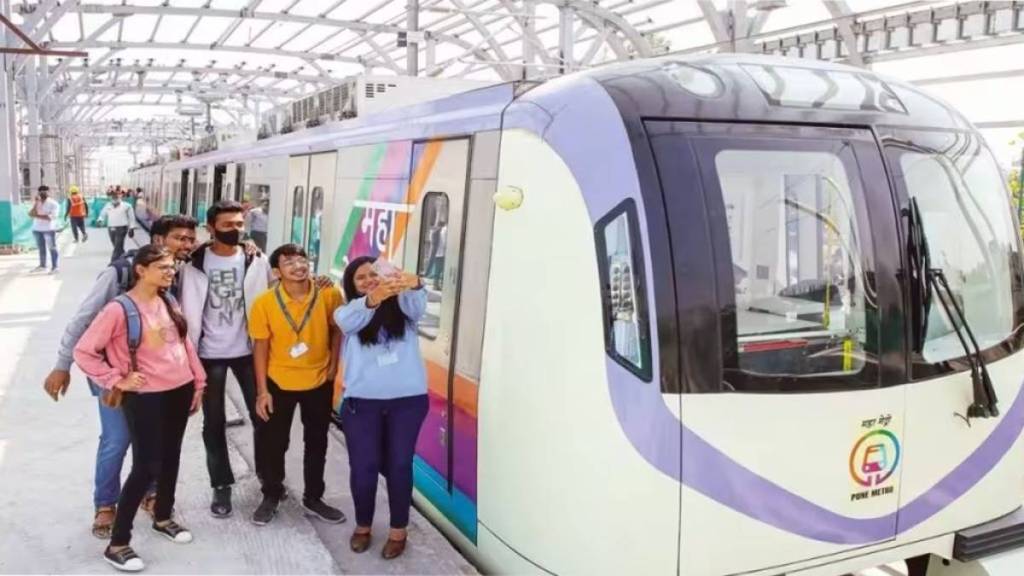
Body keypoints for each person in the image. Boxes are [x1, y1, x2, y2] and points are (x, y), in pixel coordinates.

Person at [43, 215, 198, 539]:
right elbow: (83, 320)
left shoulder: (177, 275)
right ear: (157, 242)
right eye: (179, 239)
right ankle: (106, 505)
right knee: (117, 440)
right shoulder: (119, 274)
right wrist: (63, 365)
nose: (187, 245)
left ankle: (151, 495)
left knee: (154, 444)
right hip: (116, 374)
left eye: (190, 239)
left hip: (159, 379)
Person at [74, 245, 206, 572]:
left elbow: (184, 344)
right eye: (162, 267)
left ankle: (163, 516)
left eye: (172, 267)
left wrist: (198, 382)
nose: (170, 272)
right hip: (146, 397)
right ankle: (118, 542)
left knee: (172, 457)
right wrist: (116, 379)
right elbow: (84, 351)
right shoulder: (119, 309)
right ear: (141, 270)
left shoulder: (168, 300)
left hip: (179, 389)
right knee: (145, 466)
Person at [179, 200, 275, 518]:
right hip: (209, 354)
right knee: (214, 423)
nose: (236, 230)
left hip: (248, 352)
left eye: (239, 224)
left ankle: (268, 479)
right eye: (228, 225)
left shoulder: (255, 259)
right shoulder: (193, 264)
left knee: (264, 418)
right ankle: (221, 485)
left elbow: (275, 291)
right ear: (211, 228)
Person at [335, 256, 428, 560]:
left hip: (408, 403)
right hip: (362, 405)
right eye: (360, 278)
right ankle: (363, 527)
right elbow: (347, 320)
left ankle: (398, 531)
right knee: (364, 468)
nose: (369, 280)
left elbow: (418, 304)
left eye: (374, 274)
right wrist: (373, 299)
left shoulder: (406, 310)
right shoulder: (350, 313)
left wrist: (414, 284)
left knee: (400, 466)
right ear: (351, 285)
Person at [248, 243, 345, 526]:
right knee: (274, 443)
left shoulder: (328, 293)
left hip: (318, 381)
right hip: (279, 382)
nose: (299, 265)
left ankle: (314, 497)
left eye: (302, 259)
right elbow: (260, 347)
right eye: (289, 262)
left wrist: (333, 366)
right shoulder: (264, 303)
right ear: (277, 272)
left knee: (317, 442)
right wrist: (262, 390)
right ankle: (271, 494)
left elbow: (336, 331)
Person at [98, 191, 137, 262]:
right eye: (113, 198)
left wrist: (132, 228)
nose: (115, 200)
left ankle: (112, 262)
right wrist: (100, 220)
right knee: (117, 247)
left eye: (116, 198)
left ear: (120, 198)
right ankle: (126, 259)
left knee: (117, 246)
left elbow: (132, 218)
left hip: (122, 228)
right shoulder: (108, 205)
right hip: (111, 228)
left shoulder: (127, 206)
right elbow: (102, 214)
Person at [30, 185, 60, 273]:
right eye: (41, 191)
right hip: (37, 229)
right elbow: (31, 213)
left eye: (45, 191)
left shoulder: (53, 203)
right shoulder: (37, 202)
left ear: (49, 192)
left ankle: (55, 267)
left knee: (52, 248)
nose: (43, 193)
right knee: (41, 248)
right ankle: (42, 265)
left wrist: (37, 216)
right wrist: (36, 203)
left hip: (48, 229)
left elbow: (51, 217)